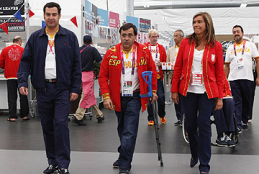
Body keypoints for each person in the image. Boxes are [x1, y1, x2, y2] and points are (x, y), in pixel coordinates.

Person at [17, 2, 81, 174]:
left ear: (59, 15)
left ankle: (63, 164)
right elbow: (25, 62)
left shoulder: (70, 37)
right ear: (44, 16)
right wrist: (22, 82)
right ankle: (52, 161)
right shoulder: (35, 38)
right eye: (48, 14)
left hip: (62, 89)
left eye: (54, 14)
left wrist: (76, 88)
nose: (51, 17)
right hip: (43, 89)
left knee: (60, 124)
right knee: (47, 126)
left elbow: (76, 65)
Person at [98, 23, 158, 174]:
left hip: (135, 96)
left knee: (129, 131)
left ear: (135, 36)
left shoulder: (143, 51)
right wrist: (106, 96)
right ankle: (123, 153)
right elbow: (103, 76)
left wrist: (153, 90)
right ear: (120, 36)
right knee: (122, 128)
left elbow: (152, 71)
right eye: (124, 35)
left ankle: (125, 164)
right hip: (117, 97)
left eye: (130, 35)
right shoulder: (111, 53)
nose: (127, 38)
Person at [171, 12, 224, 174]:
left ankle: (204, 164)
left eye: (199, 22)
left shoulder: (216, 45)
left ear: (207, 24)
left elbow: (220, 73)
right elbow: (178, 67)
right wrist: (174, 90)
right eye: (194, 22)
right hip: (188, 91)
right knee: (191, 125)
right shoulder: (186, 42)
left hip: (207, 93)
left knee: (204, 125)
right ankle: (195, 153)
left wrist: (220, 97)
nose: (196, 25)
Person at [224, 25, 259, 132]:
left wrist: (258, 77)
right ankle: (238, 123)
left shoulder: (250, 45)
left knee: (247, 100)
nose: (236, 33)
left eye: (238, 31)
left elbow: (257, 61)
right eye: (234, 32)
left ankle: (244, 119)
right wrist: (225, 79)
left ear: (242, 33)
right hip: (234, 78)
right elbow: (227, 65)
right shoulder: (230, 48)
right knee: (237, 101)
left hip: (248, 78)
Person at [73, 35, 104, 126]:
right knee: (85, 94)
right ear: (91, 42)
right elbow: (100, 61)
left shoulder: (78, 50)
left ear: (83, 41)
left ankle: (99, 115)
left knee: (89, 94)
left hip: (79, 75)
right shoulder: (92, 50)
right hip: (88, 75)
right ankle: (78, 116)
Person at [0, 36, 30, 122]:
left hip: (10, 76)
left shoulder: (5, 50)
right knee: (23, 95)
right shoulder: (23, 50)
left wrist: (6, 68)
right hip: (21, 76)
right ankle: (24, 115)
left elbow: (1, 63)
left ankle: (12, 116)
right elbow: (27, 62)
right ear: (20, 41)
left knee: (12, 97)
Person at [145, 29, 167, 126]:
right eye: (153, 37)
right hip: (147, 77)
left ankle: (161, 114)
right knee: (149, 99)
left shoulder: (161, 48)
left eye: (156, 37)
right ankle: (151, 118)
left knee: (161, 97)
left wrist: (161, 64)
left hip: (157, 76)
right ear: (149, 37)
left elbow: (165, 62)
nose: (154, 38)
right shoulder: (145, 47)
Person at [166, 29, 184, 126]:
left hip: (184, 77)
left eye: (177, 36)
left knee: (184, 97)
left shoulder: (186, 49)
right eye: (174, 36)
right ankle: (179, 117)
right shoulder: (170, 50)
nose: (175, 38)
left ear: (182, 37)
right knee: (175, 97)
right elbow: (167, 62)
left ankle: (185, 116)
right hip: (174, 76)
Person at [213, 76, 235, 147]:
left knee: (230, 102)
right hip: (210, 100)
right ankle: (220, 135)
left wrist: (224, 96)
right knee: (218, 105)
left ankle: (228, 134)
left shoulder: (221, 77)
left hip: (222, 98)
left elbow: (227, 90)